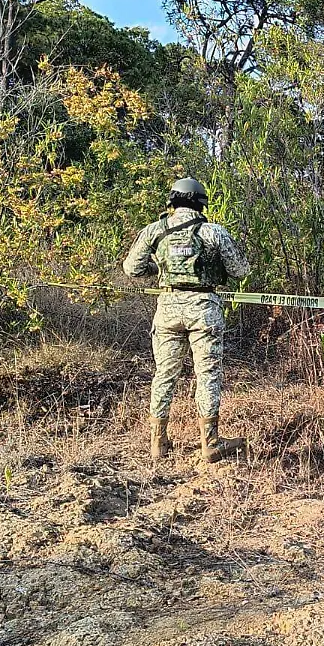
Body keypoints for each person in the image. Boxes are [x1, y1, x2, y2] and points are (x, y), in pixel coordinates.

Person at [123, 177, 251, 463]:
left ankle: (158, 443)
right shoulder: (213, 232)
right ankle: (211, 444)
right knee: (207, 376)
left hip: (168, 308)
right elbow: (241, 270)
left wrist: (161, 267)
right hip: (203, 308)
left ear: (172, 201)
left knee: (164, 375)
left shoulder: (155, 230)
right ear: (201, 203)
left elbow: (132, 268)